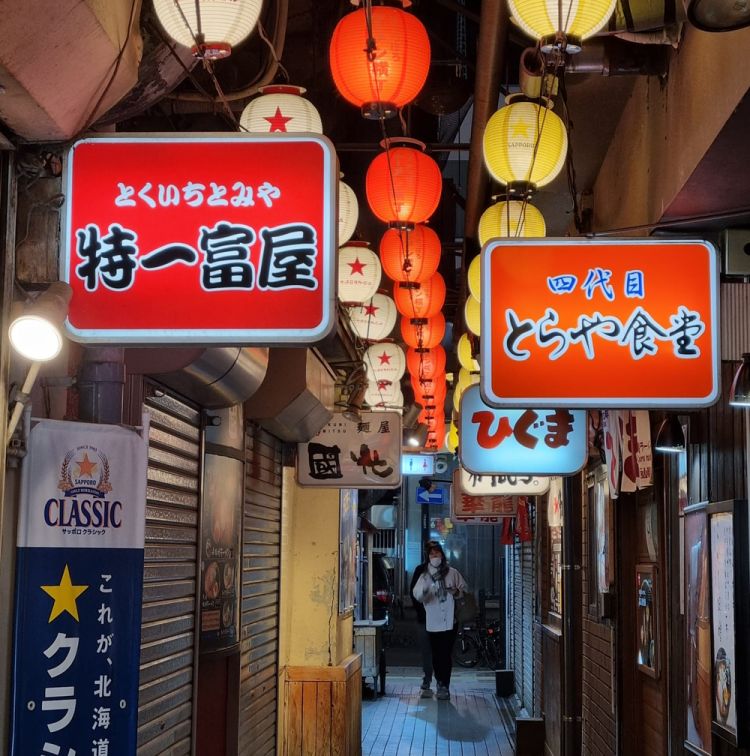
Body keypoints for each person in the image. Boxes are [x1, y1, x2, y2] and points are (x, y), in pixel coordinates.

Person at [412, 540, 467, 700]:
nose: (435, 556)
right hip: (433, 620)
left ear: (442, 554)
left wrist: (456, 592)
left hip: (451, 620)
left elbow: (463, 590)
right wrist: (426, 590)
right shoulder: (424, 575)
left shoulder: (452, 572)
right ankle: (439, 681)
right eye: (432, 554)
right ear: (428, 557)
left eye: (437, 553)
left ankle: (445, 685)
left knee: (446, 653)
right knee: (436, 654)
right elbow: (417, 595)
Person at [409, 556, 434, 697]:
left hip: (442, 619)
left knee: (440, 651)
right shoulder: (421, 570)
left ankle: (443, 681)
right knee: (426, 650)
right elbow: (413, 592)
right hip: (424, 618)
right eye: (432, 554)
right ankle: (428, 677)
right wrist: (420, 610)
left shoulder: (446, 572)